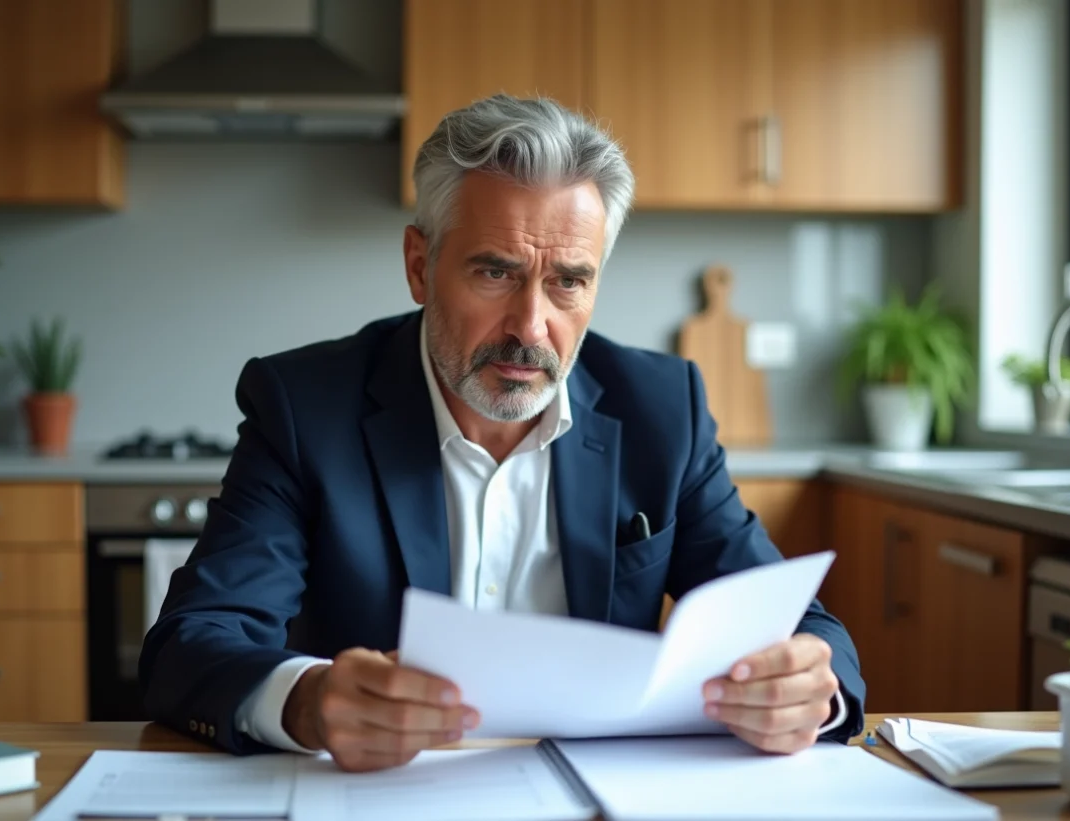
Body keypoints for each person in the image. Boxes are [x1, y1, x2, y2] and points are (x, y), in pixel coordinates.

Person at [139, 94, 866, 773]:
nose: (530, 325)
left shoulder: (660, 410)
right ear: (421, 266)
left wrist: (808, 685)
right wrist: (305, 701)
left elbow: (802, 626)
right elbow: (191, 643)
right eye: (495, 271)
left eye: (568, 282)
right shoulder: (305, 406)